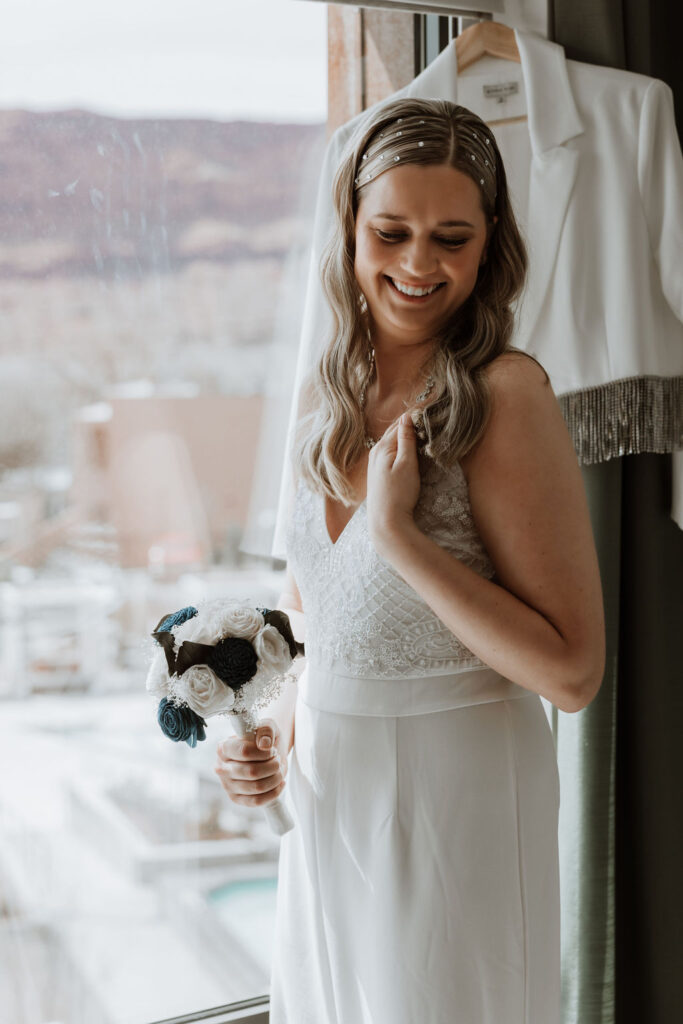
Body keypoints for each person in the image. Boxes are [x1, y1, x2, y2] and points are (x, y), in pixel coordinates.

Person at [215, 98, 605, 1024]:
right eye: (390, 232)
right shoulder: (327, 396)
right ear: (348, 227)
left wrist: (401, 537)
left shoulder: (505, 396)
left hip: (456, 805)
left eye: (451, 237)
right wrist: (266, 744)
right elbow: (318, 626)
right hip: (329, 803)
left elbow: (572, 671)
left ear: (488, 246)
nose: (419, 264)